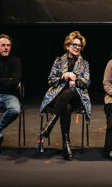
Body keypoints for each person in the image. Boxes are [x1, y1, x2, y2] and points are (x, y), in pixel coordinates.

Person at [38, 31, 92, 160]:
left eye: (79, 46)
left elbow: (87, 82)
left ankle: (50, 124)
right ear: (67, 46)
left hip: (78, 97)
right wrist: (63, 77)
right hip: (59, 97)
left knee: (71, 90)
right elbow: (51, 80)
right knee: (66, 107)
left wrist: (75, 77)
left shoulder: (84, 64)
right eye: (74, 44)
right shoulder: (59, 61)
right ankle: (66, 144)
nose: (77, 47)